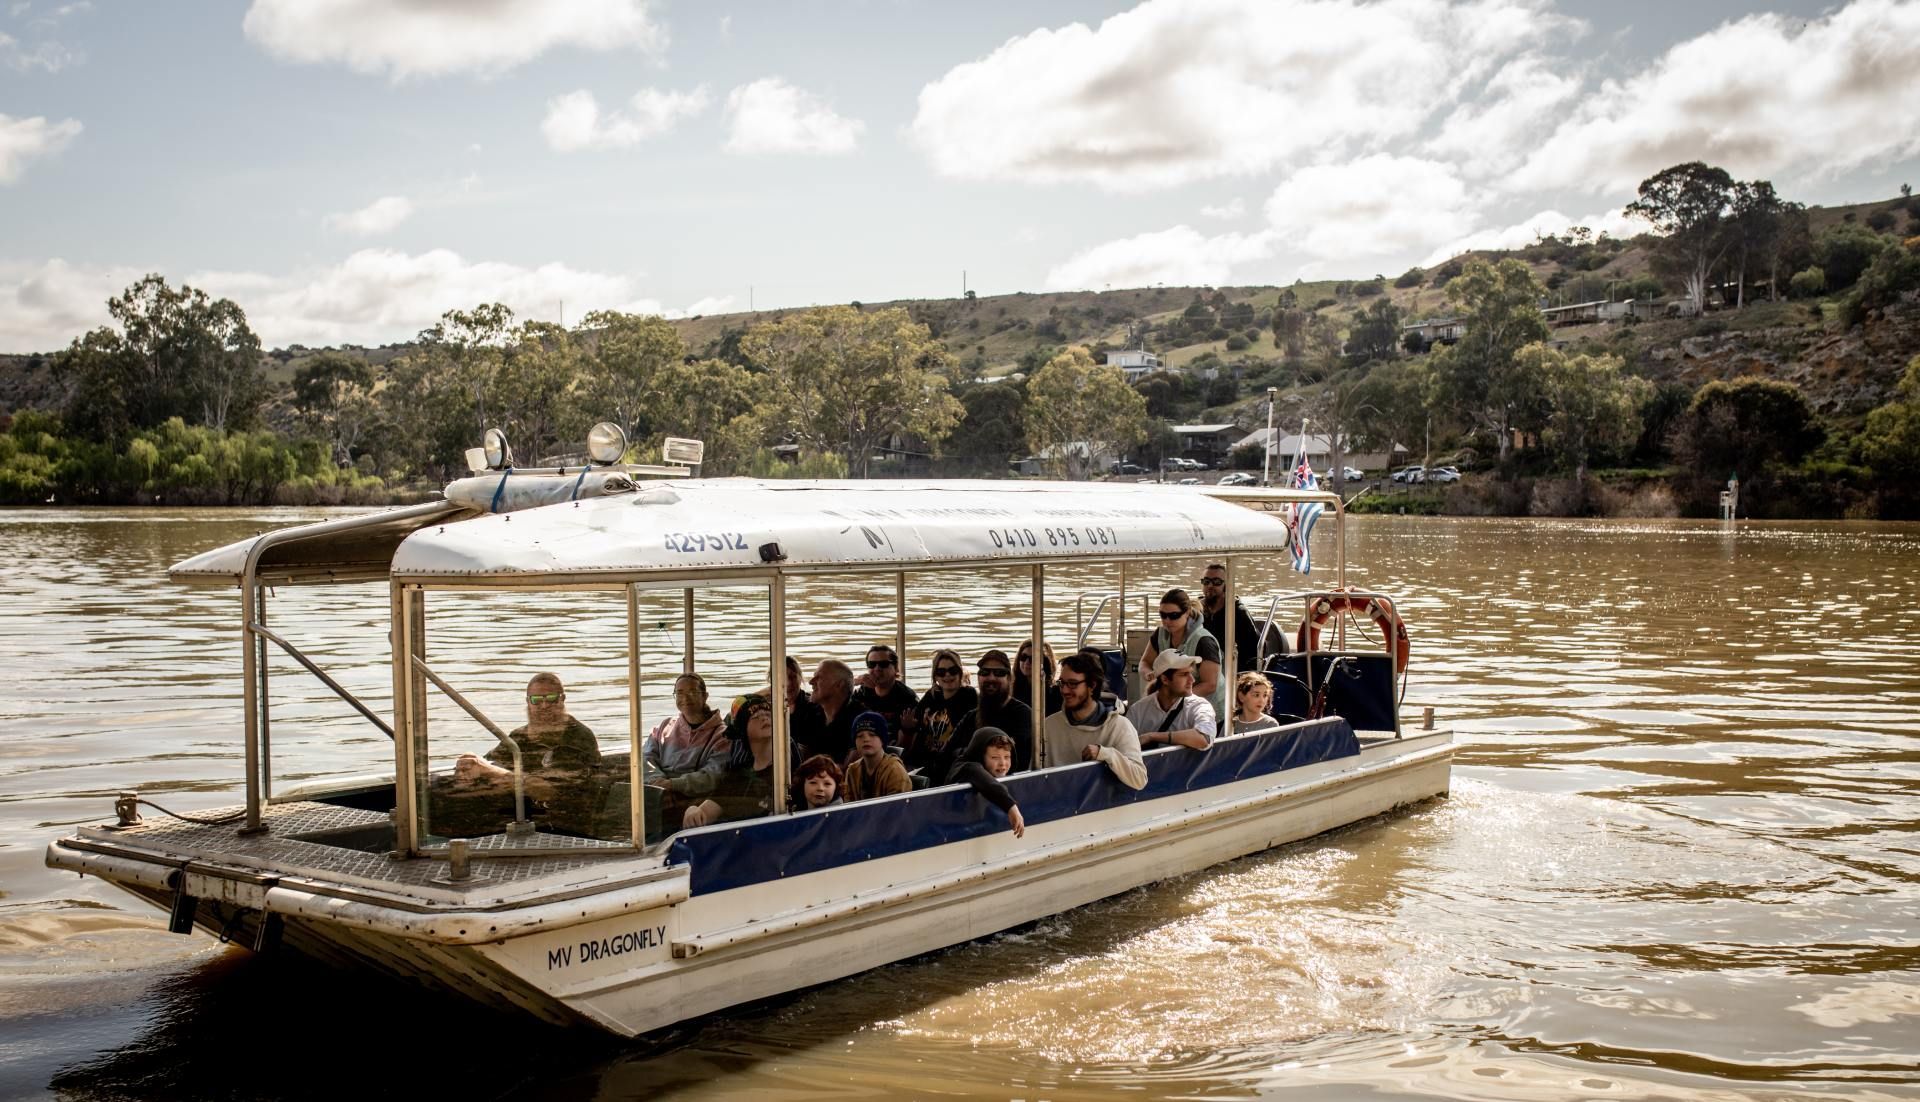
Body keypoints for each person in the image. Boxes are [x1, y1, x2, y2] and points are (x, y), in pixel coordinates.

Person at [450, 672, 604, 835]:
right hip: (523, 819)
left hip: (567, 825)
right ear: (528, 702)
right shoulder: (519, 736)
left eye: (551, 698)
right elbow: (491, 762)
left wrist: (489, 770)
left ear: (562, 699)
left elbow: (549, 791)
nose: (544, 706)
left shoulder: (578, 737)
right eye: (536, 700)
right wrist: (471, 762)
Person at [683, 696, 798, 828]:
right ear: (743, 729)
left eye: (768, 714)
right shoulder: (738, 774)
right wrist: (693, 811)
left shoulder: (787, 771)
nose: (764, 718)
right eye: (755, 717)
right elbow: (706, 813)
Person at [1042, 653, 1146, 789]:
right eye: (1062, 683)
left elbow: (1139, 779)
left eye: (1073, 684)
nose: (1065, 690)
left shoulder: (1120, 726)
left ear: (1092, 686)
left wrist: (1106, 754)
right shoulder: (1049, 726)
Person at [643, 673, 730, 813]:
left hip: (692, 801)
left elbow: (712, 776)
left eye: (692, 692)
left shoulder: (721, 735)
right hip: (658, 792)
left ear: (705, 696)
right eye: (680, 693)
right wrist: (658, 784)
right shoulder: (665, 726)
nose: (685, 698)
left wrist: (673, 784)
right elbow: (646, 758)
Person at [1139, 588, 1225, 729]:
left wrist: (1174, 699)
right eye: (1163, 615)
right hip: (1174, 707)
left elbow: (1210, 685)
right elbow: (1145, 662)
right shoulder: (1160, 634)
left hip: (1210, 713)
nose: (1167, 621)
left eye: (1174, 615)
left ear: (1187, 613)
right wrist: (1149, 674)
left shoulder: (1204, 641)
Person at [901, 648, 978, 781]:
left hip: (947, 764)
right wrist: (908, 727)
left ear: (960, 672)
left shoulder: (969, 696)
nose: (947, 676)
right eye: (941, 672)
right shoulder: (931, 695)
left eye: (952, 671)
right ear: (935, 676)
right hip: (920, 761)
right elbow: (915, 724)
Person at [955, 649, 1034, 773]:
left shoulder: (1023, 715)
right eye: (985, 672)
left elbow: (1017, 762)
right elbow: (946, 755)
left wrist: (968, 752)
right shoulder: (970, 717)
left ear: (1010, 678)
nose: (991, 678)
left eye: (999, 673)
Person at [945, 726, 1026, 838]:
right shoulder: (966, 767)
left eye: (1007, 757)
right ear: (980, 756)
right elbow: (977, 774)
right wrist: (1011, 806)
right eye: (994, 757)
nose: (1002, 763)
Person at [1128, 651, 1217, 751]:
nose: (1192, 680)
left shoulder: (1199, 706)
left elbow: (1204, 739)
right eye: (1184, 674)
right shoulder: (1137, 711)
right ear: (1165, 679)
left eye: (1191, 673)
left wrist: (1152, 736)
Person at [1199, 563, 1265, 673]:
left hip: (1230, 671)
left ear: (1227, 585)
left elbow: (1253, 653)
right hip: (1202, 666)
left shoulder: (1238, 613)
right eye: (1206, 581)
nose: (1210, 585)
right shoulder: (1197, 610)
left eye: (1216, 582)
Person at [793, 658, 856, 763]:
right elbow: (802, 759)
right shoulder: (810, 714)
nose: (811, 682)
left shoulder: (860, 719)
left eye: (819, 677)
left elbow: (851, 768)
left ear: (839, 685)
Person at [851, 644, 919, 741]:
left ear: (896, 668)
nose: (877, 669)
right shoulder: (861, 693)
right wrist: (854, 682)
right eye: (872, 664)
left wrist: (907, 730)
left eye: (883, 664)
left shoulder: (907, 698)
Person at [843, 712, 912, 801]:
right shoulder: (852, 770)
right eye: (860, 736)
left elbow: (897, 807)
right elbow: (848, 805)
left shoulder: (894, 770)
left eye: (872, 735)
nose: (866, 739)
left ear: (882, 739)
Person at [1013, 639, 1061, 717]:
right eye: (1023, 657)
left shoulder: (1055, 693)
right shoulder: (1011, 689)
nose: (1027, 662)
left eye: (1033, 658)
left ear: (1045, 663)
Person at [1231, 671, 1281, 736]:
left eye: (1265, 695)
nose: (1262, 700)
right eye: (1256, 695)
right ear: (1241, 696)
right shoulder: (1231, 723)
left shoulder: (1270, 724)